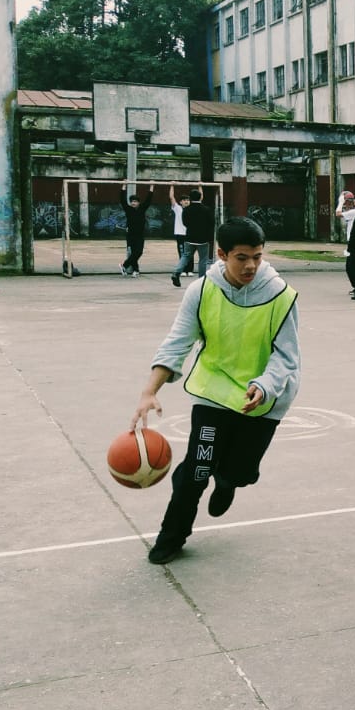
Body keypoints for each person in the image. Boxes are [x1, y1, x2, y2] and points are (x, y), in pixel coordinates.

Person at [133, 216, 300, 564]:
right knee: (196, 470)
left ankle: (226, 481)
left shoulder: (282, 295)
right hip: (214, 392)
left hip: (261, 401)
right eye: (242, 257)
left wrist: (264, 386)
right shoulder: (202, 290)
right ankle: (172, 536)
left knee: (241, 472)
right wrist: (149, 391)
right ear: (222, 255)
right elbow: (177, 342)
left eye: (257, 255)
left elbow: (286, 357)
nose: (251, 265)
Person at [172, 188, 215, 287]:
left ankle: (176, 272)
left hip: (189, 237)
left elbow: (185, 223)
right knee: (203, 260)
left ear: (190, 198)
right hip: (203, 239)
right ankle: (201, 280)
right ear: (200, 197)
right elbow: (211, 224)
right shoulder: (207, 209)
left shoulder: (186, 210)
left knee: (185, 256)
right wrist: (209, 237)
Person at [121, 183, 154, 277]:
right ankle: (136, 270)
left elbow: (148, 200)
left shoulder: (142, 209)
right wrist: (123, 185)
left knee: (138, 252)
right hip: (130, 235)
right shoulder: (128, 209)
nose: (133, 203)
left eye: (135, 201)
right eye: (132, 201)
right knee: (133, 253)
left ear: (138, 203)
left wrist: (151, 186)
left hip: (140, 235)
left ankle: (124, 265)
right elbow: (122, 200)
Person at [168, 184, 189, 270]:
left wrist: (200, 186)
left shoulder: (192, 208)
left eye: (188, 200)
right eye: (184, 200)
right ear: (180, 202)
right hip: (180, 234)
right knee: (182, 252)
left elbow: (200, 198)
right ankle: (183, 269)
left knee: (189, 252)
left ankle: (189, 269)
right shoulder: (178, 208)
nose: (186, 201)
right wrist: (172, 185)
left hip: (189, 234)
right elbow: (171, 197)